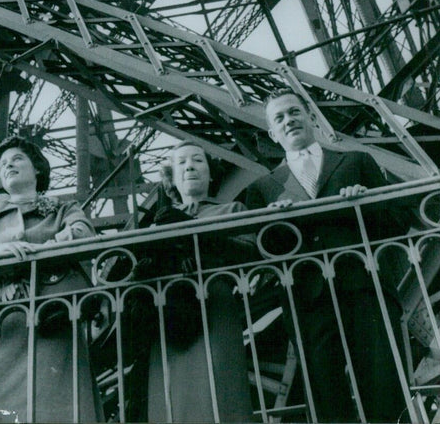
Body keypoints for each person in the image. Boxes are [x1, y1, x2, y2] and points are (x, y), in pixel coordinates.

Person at [245, 89, 410, 423]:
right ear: (272, 135)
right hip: (307, 301)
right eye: (279, 118)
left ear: (310, 116)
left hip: (366, 290)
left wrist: (367, 201)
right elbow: (262, 257)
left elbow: (397, 223)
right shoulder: (262, 190)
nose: (288, 121)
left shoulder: (356, 161)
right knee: (325, 394)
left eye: (294, 112)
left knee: (385, 386)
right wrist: (274, 224)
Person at [0, 135, 104, 423]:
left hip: (54, 316)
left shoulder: (64, 208)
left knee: (53, 404)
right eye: (3, 164)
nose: (9, 165)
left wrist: (37, 258)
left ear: (37, 169)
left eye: (17, 159)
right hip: (6, 322)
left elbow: (82, 233)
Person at [136, 142, 254, 424]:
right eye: (181, 163)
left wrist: (192, 236)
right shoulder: (155, 223)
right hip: (167, 311)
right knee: (171, 398)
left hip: (214, 306)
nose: (189, 166)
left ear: (211, 173)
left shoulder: (232, 209)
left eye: (198, 160)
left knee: (220, 389)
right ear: (172, 179)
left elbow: (250, 251)